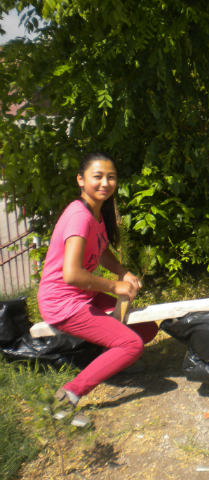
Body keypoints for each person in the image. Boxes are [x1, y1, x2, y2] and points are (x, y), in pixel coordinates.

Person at [37, 152, 159, 426]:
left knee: (148, 328)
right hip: (63, 302)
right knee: (131, 344)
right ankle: (67, 397)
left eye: (111, 177)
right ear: (80, 180)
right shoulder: (78, 217)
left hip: (82, 295)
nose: (105, 183)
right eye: (97, 176)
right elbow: (72, 274)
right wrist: (116, 285)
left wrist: (122, 271)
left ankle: (109, 363)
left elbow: (101, 251)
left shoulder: (96, 212)